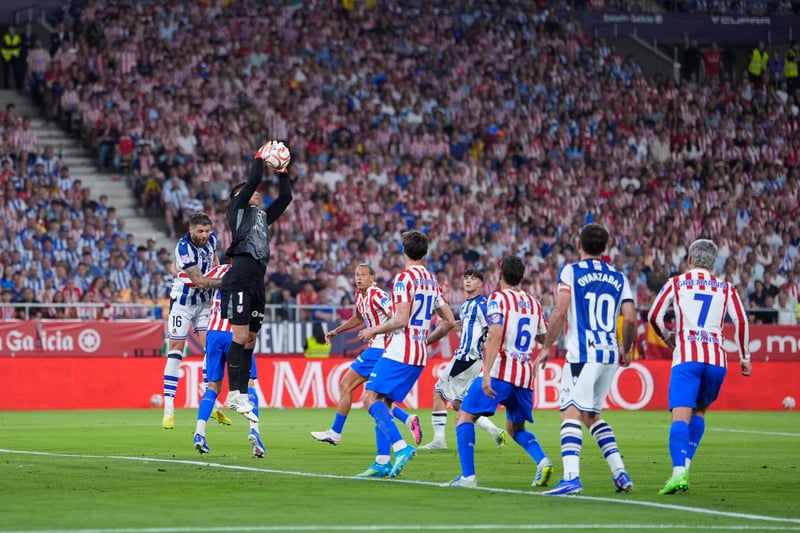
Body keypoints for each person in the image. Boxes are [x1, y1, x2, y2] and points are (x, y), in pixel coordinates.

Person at [536, 223, 636, 496]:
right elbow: (630, 318)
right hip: (609, 353)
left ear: (578, 245)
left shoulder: (571, 271)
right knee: (591, 415)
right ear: (606, 247)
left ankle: (571, 478)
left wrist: (547, 346)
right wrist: (626, 348)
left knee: (569, 412)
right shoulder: (619, 277)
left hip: (583, 353)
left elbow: (560, 311)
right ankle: (620, 473)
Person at [647, 239, 752, 495]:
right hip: (716, 361)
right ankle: (685, 466)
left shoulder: (676, 283)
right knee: (699, 413)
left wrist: (668, 337)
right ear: (713, 263)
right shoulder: (726, 288)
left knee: (680, 418)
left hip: (687, 358)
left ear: (690, 260)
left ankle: (678, 472)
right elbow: (741, 321)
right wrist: (745, 356)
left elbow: (654, 316)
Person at [354, 230, 455, 478]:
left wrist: (372, 330)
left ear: (403, 250)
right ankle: (381, 461)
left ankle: (401, 447)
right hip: (418, 352)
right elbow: (449, 321)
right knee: (384, 403)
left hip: (400, 349)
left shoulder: (404, 278)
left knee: (369, 399)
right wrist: (424, 340)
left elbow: (400, 319)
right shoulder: (431, 280)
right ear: (425, 252)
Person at [447, 256, 553, 489]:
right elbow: (545, 337)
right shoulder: (534, 303)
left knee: (464, 417)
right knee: (515, 428)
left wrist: (486, 373)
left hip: (500, 371)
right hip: (524, 375)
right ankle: (542, 460)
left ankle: (468, 477)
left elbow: (495, 333)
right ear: (522, 277)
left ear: (500, 275)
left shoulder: (497, 299)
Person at [310, 263, 421, 446]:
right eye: (357, 275)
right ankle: (407, 421)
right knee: (378, 398)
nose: (359, 278)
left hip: (380, 348)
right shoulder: (359, 296)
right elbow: (358, 318)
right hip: (378, 348)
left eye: (363, 275)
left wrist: (375, 331)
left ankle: (336, 433)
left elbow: (395, 317)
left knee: (347, 385)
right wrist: (336, 331)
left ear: (372, 278)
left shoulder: (377, 295)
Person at [220, 141, 292, 420]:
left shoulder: (261, 216)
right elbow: (253, 180)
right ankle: (234, 394)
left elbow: (285, 199)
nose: (257, 193)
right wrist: (260, 157)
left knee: (250, 340)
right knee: (239, 336)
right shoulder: (237, 210)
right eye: (250, 191)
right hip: (239, 277)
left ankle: (241, 393)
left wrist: (283, 171)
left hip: (257, 281)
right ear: (238, 196)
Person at [419, 267, 506, 451]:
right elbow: (466, 327)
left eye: (473, 278)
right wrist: (449, 326)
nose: (468, 280)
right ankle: (495, 431)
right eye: (466, 277)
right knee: (459, 403)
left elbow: (493, 329)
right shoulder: (467, 304)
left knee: (439, 392)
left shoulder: (482, 305)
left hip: (467, 357)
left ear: (480, 284)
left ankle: (439, 440)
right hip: (467, 358)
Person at [189, 263, 265, 458]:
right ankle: (254, 432)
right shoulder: (250, 274)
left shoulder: (221, 269)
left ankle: (199, 433)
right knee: (248, 383)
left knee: (213, 386)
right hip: (236, 333)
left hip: (214, 332)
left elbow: (200, 282)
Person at [161, 212, 227, 430]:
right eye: (200, 231)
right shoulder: (183, 248)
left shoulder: (212, 239)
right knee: (176, 349)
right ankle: (169, 408)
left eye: (207, 231)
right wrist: (227, 281)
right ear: (191, 230)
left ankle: (212, 403)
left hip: (205, 303)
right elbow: (199, 281)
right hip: (183, 303)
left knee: (211, 348)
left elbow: (215, 263)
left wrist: (220, 276)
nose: (204, 235)